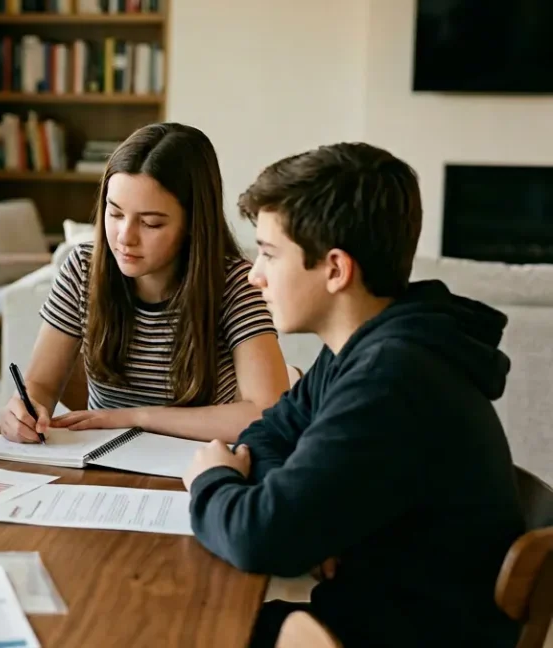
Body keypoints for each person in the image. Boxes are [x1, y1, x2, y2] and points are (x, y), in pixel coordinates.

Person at [184, 143, 523, 647]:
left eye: (270, 254)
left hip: (399, 637)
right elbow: (268, 433)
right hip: (368, 616)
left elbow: (261, 539)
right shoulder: (362, 347)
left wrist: (211, 479)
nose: (255, 275)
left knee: (168, 625)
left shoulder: (392, 377)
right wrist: (305, 513)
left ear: (336, 269)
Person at [0, 122, 288, 444]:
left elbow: (267, 413)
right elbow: (41, 386)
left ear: (193, 224)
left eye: (150, 223)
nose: (125, 237)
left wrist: (136, 417)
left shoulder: (235, 284)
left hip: (197, 460)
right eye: (115, 214)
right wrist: (23, 410)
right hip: (101, 457)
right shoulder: (83, 267)